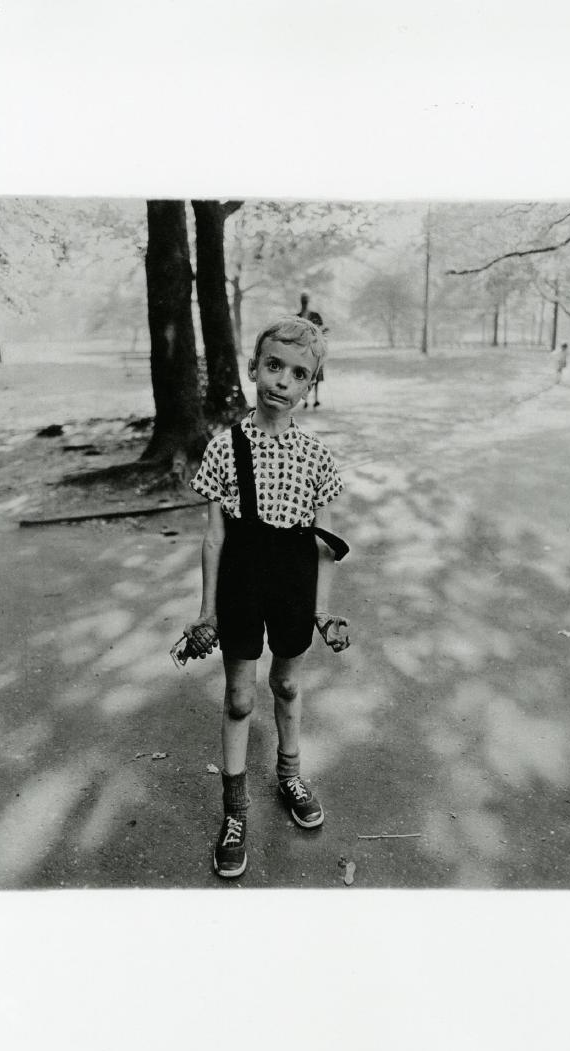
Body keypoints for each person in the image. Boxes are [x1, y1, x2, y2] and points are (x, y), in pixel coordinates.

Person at [185, 315, 351, 879]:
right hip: (240, 582)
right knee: (239, 698)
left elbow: (325, 544)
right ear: (254, 368)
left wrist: (322, 611)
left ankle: (290, 774)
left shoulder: (317, 458)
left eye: (298, 373)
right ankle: (234, 813)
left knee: (285, 683)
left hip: (294, 583)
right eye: (273, 366)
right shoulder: (224, 447)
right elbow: (213, 537)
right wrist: (207, 609)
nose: (282, 380)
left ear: (310, 386)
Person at [297, 291, 326, 408]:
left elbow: (322, 330)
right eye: (303, 301)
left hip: (315, 350)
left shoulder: (315, 316)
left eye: (306, 300)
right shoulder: (297, 317)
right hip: (302, 351)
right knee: (304, 375)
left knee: (316, 375)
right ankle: (305, 400)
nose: (304, 303)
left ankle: (316, 398)